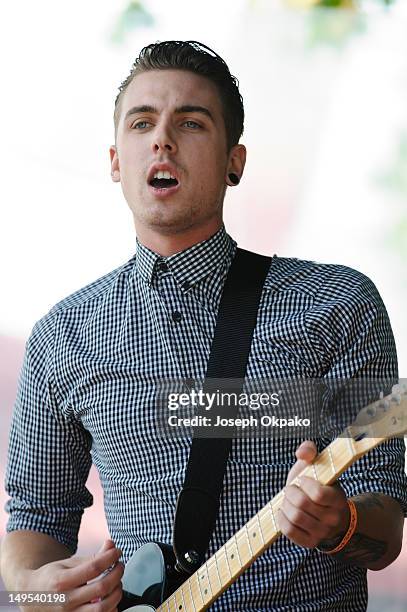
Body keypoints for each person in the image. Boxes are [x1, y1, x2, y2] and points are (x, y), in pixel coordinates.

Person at [1, 40, 406, 612]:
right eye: (142, 123)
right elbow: (34, 521)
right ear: (116, 160)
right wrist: (32, 594)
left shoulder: (336, 303)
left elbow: (385, 530)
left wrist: (339, 525)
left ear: (234, 163)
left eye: (190, 123)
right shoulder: (60, 337)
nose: (161, 138)